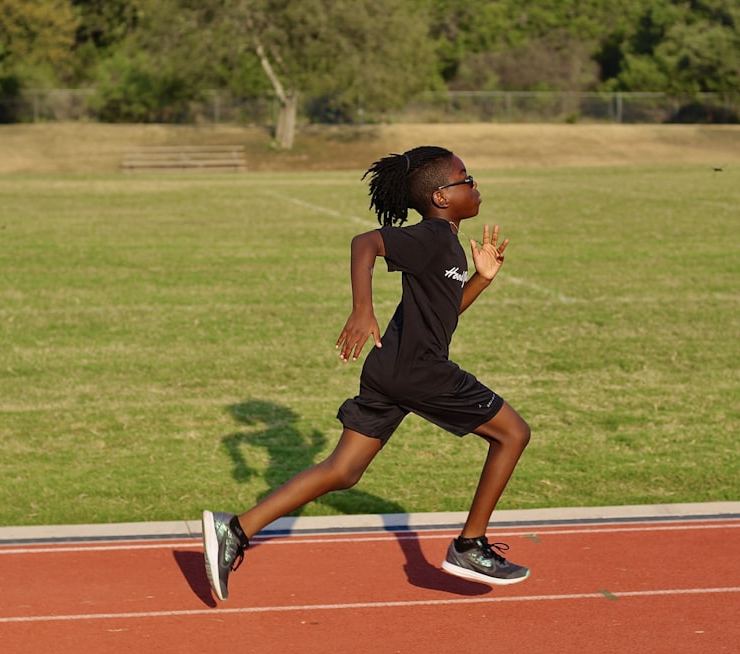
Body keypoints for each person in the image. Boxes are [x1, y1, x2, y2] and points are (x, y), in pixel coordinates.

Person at [202, 145, 531, 601]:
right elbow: (366, 242)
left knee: (344, 469)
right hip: (420, 372)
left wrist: (481, 278)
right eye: (467, 178)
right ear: (440, 196)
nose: (476, 185)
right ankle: (469, 545)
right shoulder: (432, 237)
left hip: (391, 369)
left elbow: (444, 313)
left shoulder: (446, 243)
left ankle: (235, 528)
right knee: (513, 434)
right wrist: (362, 308)